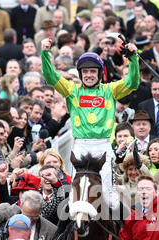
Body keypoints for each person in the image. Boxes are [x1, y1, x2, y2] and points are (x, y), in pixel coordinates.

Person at [41, 36, 139, 209]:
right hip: (80, 147)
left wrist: (132, 58)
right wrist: (45, 52)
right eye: (85, 72)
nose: (89, 75)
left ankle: (122, 234)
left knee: (111, 199)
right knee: (74, 199)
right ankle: (63, 235)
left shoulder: (110, 90)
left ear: (100, 73)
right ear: (80, 74)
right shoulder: (72, 90)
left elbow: (132, 82)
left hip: (103, 146)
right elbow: (50, 77)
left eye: (93, 71)